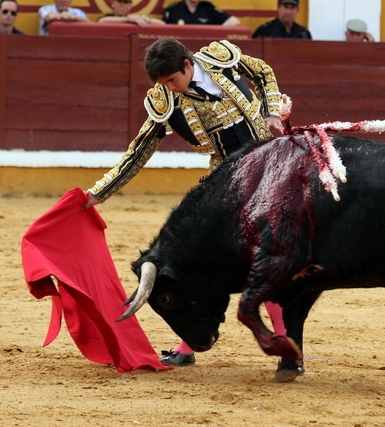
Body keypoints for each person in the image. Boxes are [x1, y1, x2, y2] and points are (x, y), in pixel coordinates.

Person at [81, 38, 286, 365]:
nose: (170, 89)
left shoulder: (221, 58)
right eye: (163, 84)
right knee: (201, 264)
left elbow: (262, 73)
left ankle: (285, 343)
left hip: (273, 169)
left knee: (275, 256)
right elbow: (140, 149)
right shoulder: (166, 100)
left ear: (188, 66)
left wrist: (272, 111)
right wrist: (100, 192)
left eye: (172, 81)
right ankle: (188, 347)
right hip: (226, 185)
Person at [163, 0, 240, 26]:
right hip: (180, 51)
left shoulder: (208, 9)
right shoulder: (173, 10)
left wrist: (215, 33)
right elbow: (165, 29)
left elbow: (235, 21)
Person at [98, 0, 165, 26]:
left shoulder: (135, 18)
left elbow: (162, 24)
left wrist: (143, 18)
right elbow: (101, 21)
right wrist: (128, 19)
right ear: (113, 4)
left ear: (129, 6)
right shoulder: (107, 17)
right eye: (119, 1)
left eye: (125, 2)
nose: (122, 5)